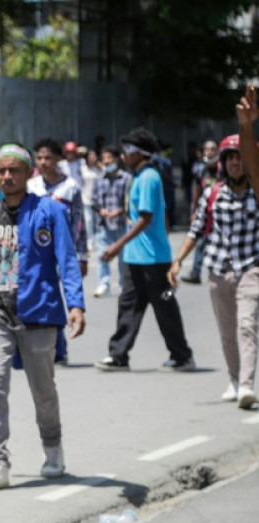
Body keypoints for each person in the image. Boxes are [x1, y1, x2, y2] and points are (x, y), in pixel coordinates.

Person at [0, 143, 85, 492]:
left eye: (13, 170)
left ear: (29, 172)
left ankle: (53, 449)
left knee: (43, 390)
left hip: (39, 312)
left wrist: (76, 304)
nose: (6, 176)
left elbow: (66, 259)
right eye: (1, 170)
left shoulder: (49, 211)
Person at [168, 134, 258, 409]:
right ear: (222, 162)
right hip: (218, 270)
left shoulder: (256, 192)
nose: (235, 163)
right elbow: (196, 231)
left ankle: (246, 385)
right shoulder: (213, 193)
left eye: (240, 157)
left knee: (247, 326)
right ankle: (233, 379)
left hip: (251, 269)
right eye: (230, 157)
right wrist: (178, 260)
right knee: (227, 332)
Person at [95, 128, 195, 372]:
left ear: (140, 153)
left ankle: (182, 355)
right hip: (134, 257)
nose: (123, 156)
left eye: (127, 151)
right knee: (128, 306)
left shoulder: (149, 177)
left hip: (153, 257)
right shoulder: (136, 177)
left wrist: (118, 244)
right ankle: (118, 355)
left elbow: (146, 217)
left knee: (164, 307)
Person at [30, 138, 88, 364]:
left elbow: (79, 223)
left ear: (58, 159)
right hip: (37, 254)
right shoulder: (32, 186)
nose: (44, 162)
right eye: (40, 158)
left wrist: (81, 255)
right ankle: (57, 347)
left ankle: (59, 348)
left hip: (63, 251)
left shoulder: (70, 187)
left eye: (48, 158)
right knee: (47, 299)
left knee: (60, 298)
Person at [91, 146, 131, 297]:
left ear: (117, 159)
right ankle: (103, 283)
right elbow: (94, 200)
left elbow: (130, 201)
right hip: (104, 224)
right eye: (104, 158)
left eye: (110, 158)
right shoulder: (99, 179)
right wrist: (100, 210)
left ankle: (123, 284)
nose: (107, 161)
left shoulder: (126, 178)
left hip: (121, 224)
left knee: (123, 257)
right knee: (102, 255)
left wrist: (120, 211)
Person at [182, 139, 221, 283]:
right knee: (199, 243)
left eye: (212, 149)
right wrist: (193, 211)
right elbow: (197, 191)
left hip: (221, 214)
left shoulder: (222, 170)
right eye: (207, 149)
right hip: (206, 214)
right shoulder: (201, 170)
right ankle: (195, 273)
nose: (210, 152)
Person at [80, 147, 101, 251]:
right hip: (85, 198)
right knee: (88, 221)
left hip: (97, 200)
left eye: (94, 156)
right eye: (91, 156)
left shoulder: (99, 169)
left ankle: (98, 241)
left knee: (98, 222)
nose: (93, 158)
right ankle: (89, 242)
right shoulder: (82, 168)